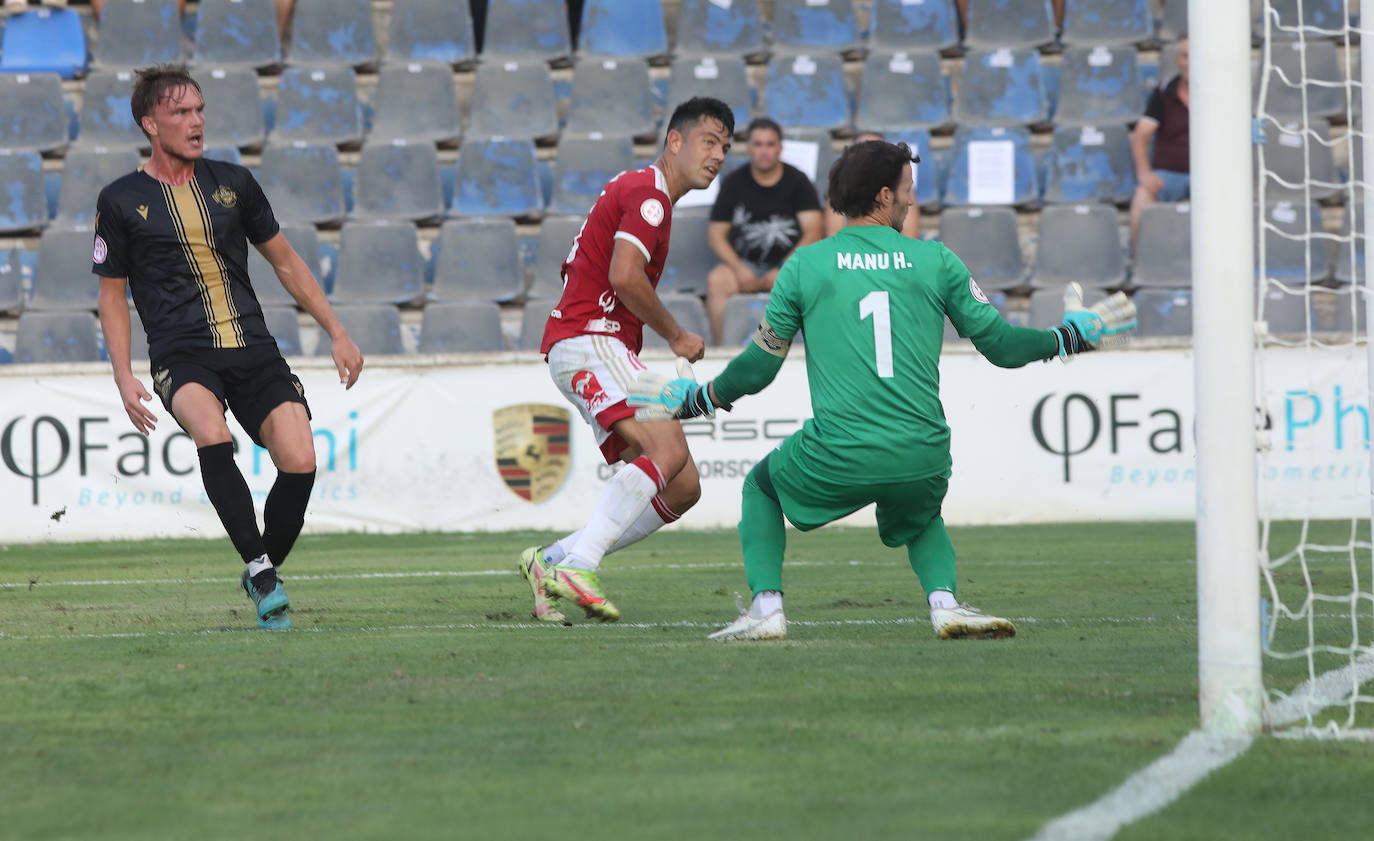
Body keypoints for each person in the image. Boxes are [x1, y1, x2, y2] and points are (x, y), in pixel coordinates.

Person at [629, 140, 1135, 642]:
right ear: (884, 197)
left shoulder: (803, 267)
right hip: (923, 451)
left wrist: (697, 400)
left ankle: (766, 611)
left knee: (761, 487)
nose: (912, 200)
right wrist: (1069, 337)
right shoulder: (936, 259)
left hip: (839, 452)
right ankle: (946, 604)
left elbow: (759, 368)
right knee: (919, 511)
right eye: (908, 190)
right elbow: (1001, 346)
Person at [93, 64, 364, 630]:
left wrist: (336, 331)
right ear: (150, 123)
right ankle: (264, 576)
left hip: (252, 345)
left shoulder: (234, 183)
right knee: (211, 433)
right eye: (181, 113)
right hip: (181, 354)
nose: (197, 122)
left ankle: (261, 567)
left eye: (200, 110)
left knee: (301, 460)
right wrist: (122, 374)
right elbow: (113, 296)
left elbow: (285, 262)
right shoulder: (119, 200)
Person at [515, 97, 737, 624]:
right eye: (709, 142)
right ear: (675, 141)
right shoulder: (649, 196)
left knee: (683, 486)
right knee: (667, 444)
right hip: (592, 338)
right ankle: (582, 565)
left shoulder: (645, 193)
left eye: (726, 147)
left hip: (594, 344)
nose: (719, 155)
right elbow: (624, 276)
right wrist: (678, 336)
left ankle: (554, 561)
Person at [705, 117, 823, 345]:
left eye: (770, 144)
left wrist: (783, 270)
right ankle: (721, 351)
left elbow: (813, 232)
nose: (764, 151)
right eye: (758, 144)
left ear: (780, 148)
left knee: (815, 283)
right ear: (748, 147)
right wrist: (739, 270)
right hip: (744, 266)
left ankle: (810, 353)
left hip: (789, 266)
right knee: (717, 280)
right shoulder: (733, 183)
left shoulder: (798, 182)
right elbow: (715, 236)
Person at [1130, 36, 1189, 253]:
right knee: (1142, 197)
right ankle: (1141, 264)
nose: (1189, 63)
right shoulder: (1164, 93)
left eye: (1194, 57)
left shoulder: (1221, 94)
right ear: (1177, 59)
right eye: (1185, 56)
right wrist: (1145, 174)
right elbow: (1141, 135)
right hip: (1167, 178)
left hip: (1209, 180)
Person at [824, 131, 920, 240]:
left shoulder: (902, 187)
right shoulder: (842, 186)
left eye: (878, 151)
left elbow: (909, 238)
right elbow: (834, 238)